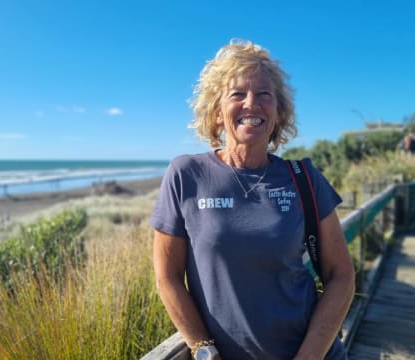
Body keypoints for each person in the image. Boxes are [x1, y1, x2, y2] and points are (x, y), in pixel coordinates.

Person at [150, 39, 355, 360]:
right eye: (237, 94)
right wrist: (204, 350)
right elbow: (167, 277)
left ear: (278, 113)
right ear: (217, 112)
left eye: (264, 95)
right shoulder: (185, 174)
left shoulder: (304, 178)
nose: (251, 103)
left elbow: (342, 275)